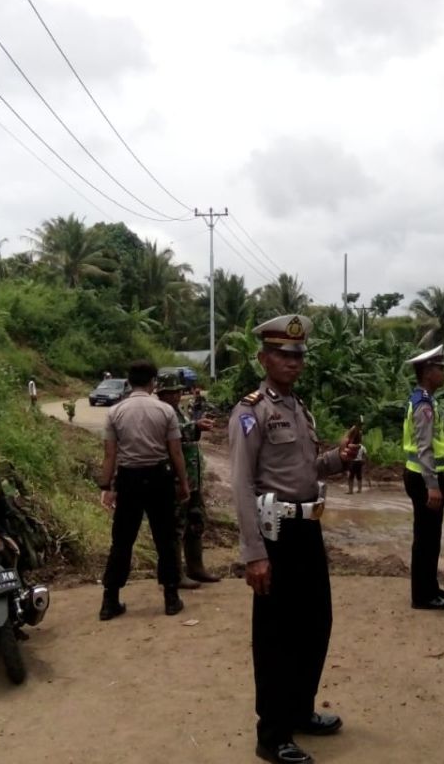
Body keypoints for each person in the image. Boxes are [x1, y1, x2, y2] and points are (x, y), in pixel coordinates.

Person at [228, 314, 359, 764]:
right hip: (275, 534)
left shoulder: (298, 409)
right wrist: (254, 554)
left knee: (314, 624)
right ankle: (272, 734)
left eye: (298, 354)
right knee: (276, 637)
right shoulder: (251, 412)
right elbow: (242, 484)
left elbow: (306, 470)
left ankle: (300, 710)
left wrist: (338, 459)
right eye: (284, 354)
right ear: (264, 357)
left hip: (308, 529)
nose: (293, 361)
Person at [96, 360, 191, 620]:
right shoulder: (165, 411)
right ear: (153, 383)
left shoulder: (115, 412)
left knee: (123, 540)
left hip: (129, 480)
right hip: (159, 478)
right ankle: (171, 597)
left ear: (128, 381)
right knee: (165, 538)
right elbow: (176, 452)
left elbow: (109, 455)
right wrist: (183, 483)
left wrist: (107, 486)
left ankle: (109, 600)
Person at [402, 345, 444, 610]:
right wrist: (433, 486)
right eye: (440, 369)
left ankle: (430, 587)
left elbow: (435, 447)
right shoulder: (423, 404)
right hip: (422, 479)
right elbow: (424, 448)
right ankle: (423, 596)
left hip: (426, 476)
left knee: (431, 537)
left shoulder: (425, 399)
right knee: (426, 539)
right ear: (427, 372)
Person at [156, 373, 221, 590]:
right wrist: (196, 426)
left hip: (192, 479)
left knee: (195, 522)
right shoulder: (161, 413)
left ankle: (196, 567)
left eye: (177, 391)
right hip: (175, 480)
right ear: (161, 393)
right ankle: (175, 574)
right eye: (171, 392)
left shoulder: (178, 412)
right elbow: (172, 437)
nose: (175, 395)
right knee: (176, 527)